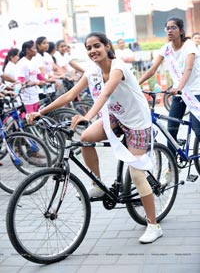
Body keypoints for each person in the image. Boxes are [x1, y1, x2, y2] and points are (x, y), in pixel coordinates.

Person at [28, 31, 163, 244]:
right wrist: (41, 112)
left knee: (137, 175)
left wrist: (87, 116)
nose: (93, 51)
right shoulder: (92, 71)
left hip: (137, 123)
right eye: (88, 48)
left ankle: (154, 225)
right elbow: (69, 95)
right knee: (86, 138)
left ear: (107, 46)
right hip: (116, 117)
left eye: (96, 46)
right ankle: (98, 185)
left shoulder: (118, 67)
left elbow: (106, 94)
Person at [139, 17, 200, 180]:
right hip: (179, 94)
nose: (169, 30)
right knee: (171, 128)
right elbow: (152, 70)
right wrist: (136, 83)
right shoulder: (166, 49)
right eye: (167, 28)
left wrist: (179, 87)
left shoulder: (189, 45)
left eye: (173, 27)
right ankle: (172, 168)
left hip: (195, 91)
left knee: (197, 128)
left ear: (181, 30)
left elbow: (188, 68)